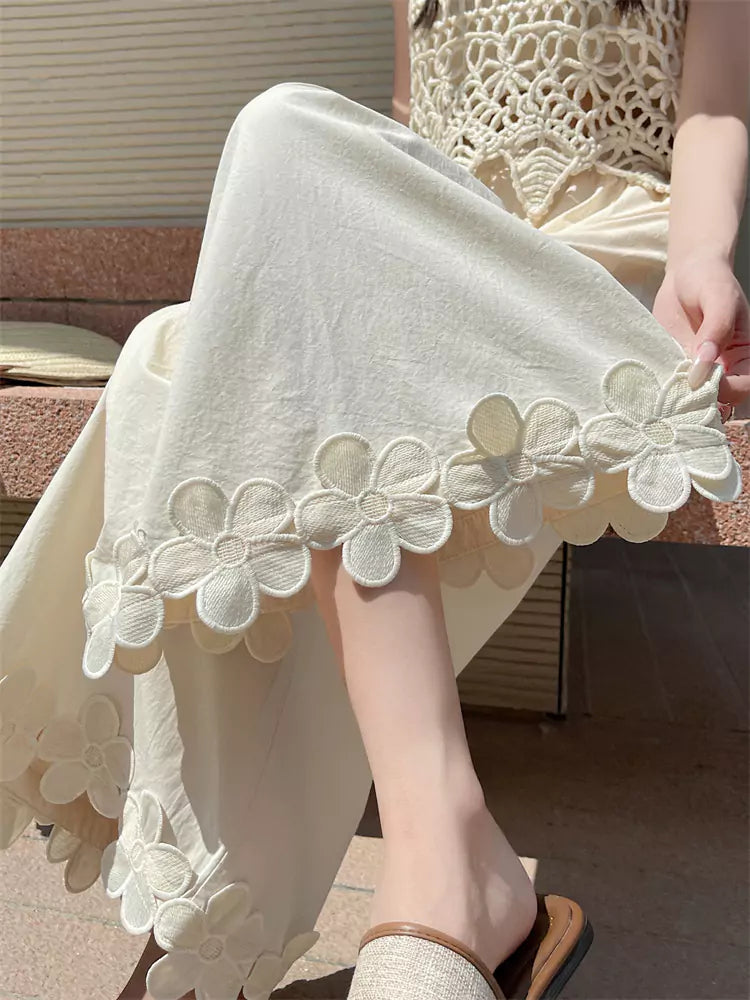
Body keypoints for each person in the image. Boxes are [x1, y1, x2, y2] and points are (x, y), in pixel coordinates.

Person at [0, 1, 747, 998]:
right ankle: (224, 924)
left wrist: (703, 257)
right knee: (179, 369)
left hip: (593, 267)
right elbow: (409, 125)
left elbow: (714, 111)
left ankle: (426, 851)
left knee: (283, 136)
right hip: (435, 255)